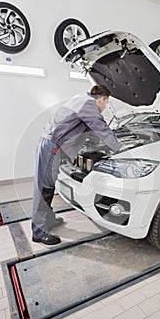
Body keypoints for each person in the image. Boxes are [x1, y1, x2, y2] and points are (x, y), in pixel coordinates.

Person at [31, 84, 122, 245]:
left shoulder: (81, 99)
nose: (105, 107)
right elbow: (100, 127)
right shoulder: (88, 103)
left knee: (49, 185)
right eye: (106, 103)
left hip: (52, 145)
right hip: (52, 146)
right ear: (100, 99)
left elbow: (91, 132)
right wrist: (118, 148)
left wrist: (103, 144)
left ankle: (48, 220)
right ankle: (38, 231)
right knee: (44, 187)